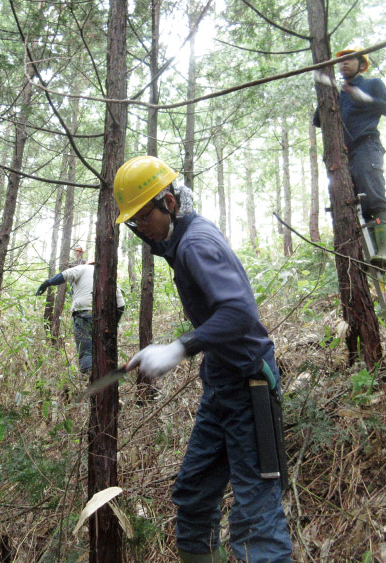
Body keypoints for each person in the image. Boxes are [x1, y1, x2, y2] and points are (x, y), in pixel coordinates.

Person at [114, 155, 292, 562]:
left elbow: (239, 313)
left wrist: (179, 348)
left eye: (142, 219)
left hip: (251, 386)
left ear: (169, 203)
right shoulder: (179, 241)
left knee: (256, 519)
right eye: (132, 224)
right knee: (193, 496)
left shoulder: (196, 244)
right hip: (221, 385)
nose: (139, 231)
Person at [313, 45, 386, 270]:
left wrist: (365, 99)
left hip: (366, 146)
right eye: (340, 61)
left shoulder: (372, 84)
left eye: (350, 60)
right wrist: (326, 93)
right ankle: (370, 256)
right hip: (341, 156)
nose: (344, 63)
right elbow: (317, 120)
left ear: (362, 64)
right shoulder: (337, 93)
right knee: (351, 205)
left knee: (372, 196)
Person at [36, 262, 125, 374]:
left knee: (86, 350)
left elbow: (64, 275)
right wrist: (114, 323)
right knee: (103, 350)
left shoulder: (82, 268)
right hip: (105, 318)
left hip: (84, 315)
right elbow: (121, 304)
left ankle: (88, 378)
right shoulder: (109, 277)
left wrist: (47, 283)